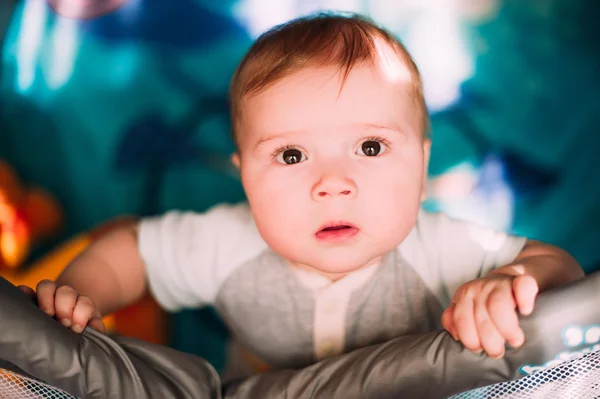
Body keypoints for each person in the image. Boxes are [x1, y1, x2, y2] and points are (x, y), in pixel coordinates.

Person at [20, 13, 584, 377]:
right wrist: (82, 294)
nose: (332, 183)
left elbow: (556, 264)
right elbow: (131, 250)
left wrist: (513, 282)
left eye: (369, 147)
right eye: (291, 156)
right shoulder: (225, 242)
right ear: (243, 174)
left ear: (422, 162)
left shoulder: (439, 248)